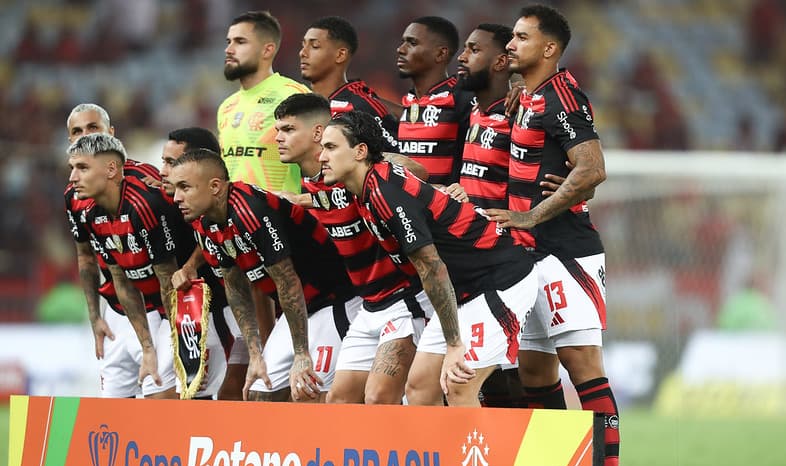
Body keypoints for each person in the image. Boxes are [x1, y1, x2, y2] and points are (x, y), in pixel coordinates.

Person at [484, 5, 624, 466]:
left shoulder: (564, 96)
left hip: (567, 252)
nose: (511, 43)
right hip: (526, 254)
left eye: (521, 37)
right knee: (535, 374)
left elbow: (593, 169)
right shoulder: (526, 96)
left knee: (582, 365)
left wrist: (532, 214)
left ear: (548, 48)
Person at [319, 110, 541, 408]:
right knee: (419, 388)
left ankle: (482, 456)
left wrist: (453, 344)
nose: (322, 156)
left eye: (330, 147)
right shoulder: (370, 186)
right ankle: (441, 455)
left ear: (360, 152)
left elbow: (432, 267)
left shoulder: (385, 193)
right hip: (464, 291)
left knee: (459, 385)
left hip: (499, 280)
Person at [274, 93, 433, 404]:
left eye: (288, 129)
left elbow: (418, 172)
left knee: (381, 398)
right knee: (339, 402)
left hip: (404, 298)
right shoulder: (310, 185)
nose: (278, 137)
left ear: (318, 134)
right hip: (369, 303)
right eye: (278, 129)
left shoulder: (355, 169)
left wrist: (374, 158)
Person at [165, 149, 357, 403]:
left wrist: (301, 354)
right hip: (301, 309)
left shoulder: (253, 210)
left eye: (185, 187)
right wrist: (255, 355)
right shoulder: (204, 224)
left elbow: (288, 282)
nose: (177, 197)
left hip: (334, 301)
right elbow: (235, 289)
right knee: (259, 393)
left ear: (214, 187)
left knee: (312, 392)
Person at [67, 133, 227, 400]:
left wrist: (178, 343)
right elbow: (121, 279)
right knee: (155, 391)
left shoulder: (145, 206)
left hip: (194, 304)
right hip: (157, 308)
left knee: (168, 394)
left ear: (111, 170)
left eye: (82, 168)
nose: (73, 177)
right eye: (72, 168)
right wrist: (148, 349)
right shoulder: (91, 213)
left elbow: (168, 280)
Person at [64, 103, 162, 398]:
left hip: (158, 307)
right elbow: (85, 256)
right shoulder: (75, 196)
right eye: (76, 131)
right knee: (114, 410)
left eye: (92, 128)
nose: (84, 136)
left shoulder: (146, 183)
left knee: (160, 397)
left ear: (111, 134)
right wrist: (96, 316)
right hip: (118, 308)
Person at [456, 23, 526, 408]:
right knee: (497, 375)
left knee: (521, 372)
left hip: (508, 260)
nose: (461, 57)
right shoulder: (475, 111)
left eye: (472, 50)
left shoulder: (519, 115)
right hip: (473, 256)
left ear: (500, 61)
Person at [160, 127, 251, 401]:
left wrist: (189, 265)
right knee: (195, 395)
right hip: (195, 311)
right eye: (163, 161)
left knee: (232, 391)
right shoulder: (163, 199)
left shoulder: (237, 207)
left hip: (234, 309)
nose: (163, 171)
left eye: (172, 163)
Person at [218, 10, 309, 193]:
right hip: (236, 218)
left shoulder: (292, 95)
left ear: (267, 50)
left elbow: (321, 159)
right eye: (229, 42)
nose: (229, 50)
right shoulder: (226, 106)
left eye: (240, 42)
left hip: (280, 216)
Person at [299, 16, 400, 152]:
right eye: (303, 45)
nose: (302, 53)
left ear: (340, 55)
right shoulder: (300, 102)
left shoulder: (360, 106)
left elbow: (398, 159)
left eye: (315, 46)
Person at [396, 16, 473, 186]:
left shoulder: (461, 98)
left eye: (412, 43)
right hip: (409, 207)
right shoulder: (409, 100)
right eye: (403, 42)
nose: (401, 49)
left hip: (445, 208)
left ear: (440, 53)